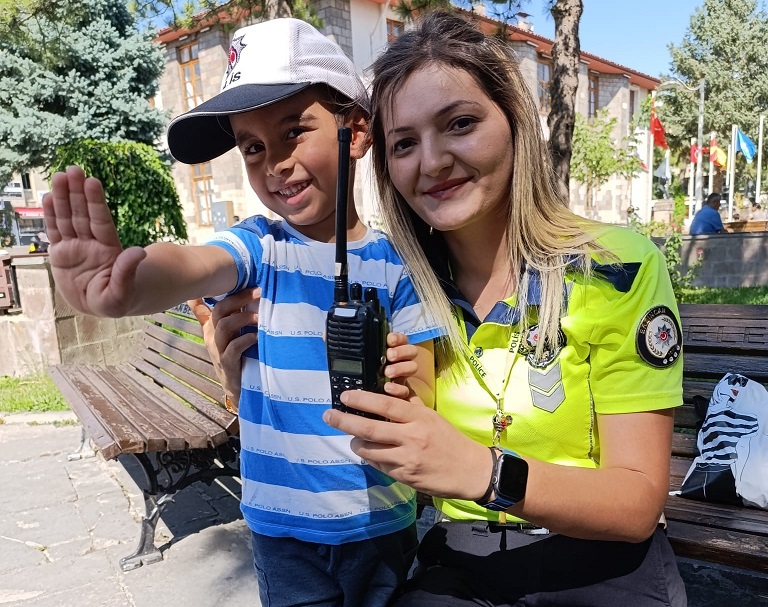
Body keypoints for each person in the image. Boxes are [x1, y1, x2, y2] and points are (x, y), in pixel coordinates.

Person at [42, 18, 442, 607]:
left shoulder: (399, 266)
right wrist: (128, 287)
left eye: (294, 131)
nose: (274, 162)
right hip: (282, 530)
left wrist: (409, 387)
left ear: (355, 130)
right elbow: (195, 263)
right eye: (253, 146)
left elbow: (427, 394)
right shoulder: (260, 246)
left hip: (378, 524)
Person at [317, 12, 686, 606]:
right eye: (403, 143)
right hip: (459, 565)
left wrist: (482, 472)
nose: (431, 161)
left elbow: (638, 504)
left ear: (514, 123)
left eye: (459, 123)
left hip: (599, 563)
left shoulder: (615, 268)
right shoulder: (399, 293)